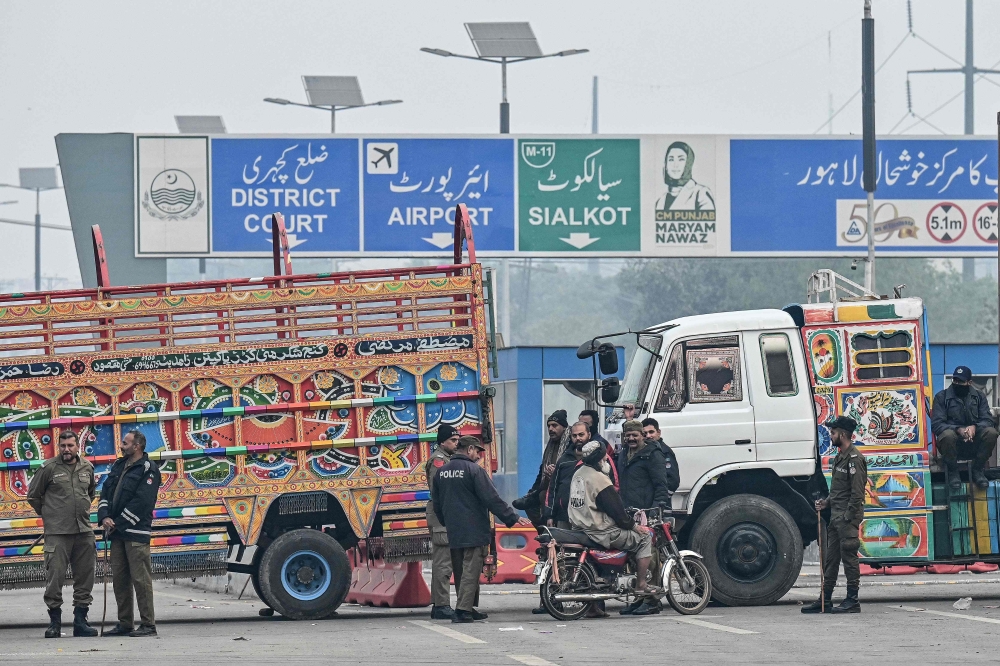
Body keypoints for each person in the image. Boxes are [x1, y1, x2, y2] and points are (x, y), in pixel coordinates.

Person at [433, 436, 520, 624]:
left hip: (454, 529)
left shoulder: (442, 472)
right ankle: (463, 610)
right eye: (477, 452)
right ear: (470, 449)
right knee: (471, 569)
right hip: (474, 529)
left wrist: (446, 522)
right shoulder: (474, 471)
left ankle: (468, 607)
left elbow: (437, 503)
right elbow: (491, 499)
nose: (478, 456)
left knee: (460, 570)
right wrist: (511, 517)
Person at [568, 441, 659, 617]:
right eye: (604, 458)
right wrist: (634, 526)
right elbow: (617, 512)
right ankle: (641, 584)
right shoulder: (599, 479)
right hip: (601, 532)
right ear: (598, 460)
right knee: (644, 538)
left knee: (593, 568)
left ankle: (593, 607)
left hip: (579, 528)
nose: (607, 461)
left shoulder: (578, 474)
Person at [26, 430, 98, 638]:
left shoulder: (87, 467)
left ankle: (80, 621)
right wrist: (49, 514)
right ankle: (54, 623)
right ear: (59, 447)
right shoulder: (48, 468)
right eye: (63, 446)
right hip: (57, 533)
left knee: (85, 577)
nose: (67, 450)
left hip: (83, 531)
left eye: (70, 445)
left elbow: (90, 493)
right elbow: (33, 495)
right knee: (55, 577)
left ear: (78, 446)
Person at [97, 430, 161, 637]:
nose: (121, 446)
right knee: (120, 580)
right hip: (116, 533)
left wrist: (118, 522)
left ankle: (148, 625)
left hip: (135, 533)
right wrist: (105, 516)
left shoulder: (148, 469)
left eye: (125, 443)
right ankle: (125, 623)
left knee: (141, 580)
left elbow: (142, 502)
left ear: (137, 446)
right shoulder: (118, 466)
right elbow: (105, 492)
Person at [802, 416, 867, 615]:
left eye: (833, 432)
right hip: (836, 517)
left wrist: (848, 517)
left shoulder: (855, 459)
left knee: (849, 559)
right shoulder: (840, 457)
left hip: (846, 519)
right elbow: (838, 490)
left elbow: (857, 494)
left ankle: (852, 600)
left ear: (843, 434)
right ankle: (825, 599)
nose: (830, 436)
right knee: (830, 560)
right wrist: (826, 502)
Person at [932, 366, 999, 490]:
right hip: (952, 445)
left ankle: (977, 470)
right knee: (947, 434)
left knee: (991, 432)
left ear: (969, 383)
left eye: (961, 381)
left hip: (974, 443)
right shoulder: (941, 397)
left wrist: (974, 427)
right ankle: (953, 472)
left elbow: (988, 420)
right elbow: (937, 424)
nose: (958, 384)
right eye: (955, 381)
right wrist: (958, 429)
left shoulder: (979, 396)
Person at [425, 424, 460, 620]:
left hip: (445, 514)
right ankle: (441, 605)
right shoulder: (438, 461)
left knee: (446, 561)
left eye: (457, 440)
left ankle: (440, 603)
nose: (456, 444)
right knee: (443, 563)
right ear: (442, 442)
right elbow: (440, 491)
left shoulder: (447, 459)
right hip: (441, 515)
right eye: (453, 440)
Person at [512, 410, 570, 526]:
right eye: (549, 426)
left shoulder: (570, 445)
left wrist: (556, 473)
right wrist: (532, 492)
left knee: (544, 497)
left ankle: (550, 534)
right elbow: (541, 472)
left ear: (564, 427)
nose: (550, 429)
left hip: (564, 491)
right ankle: (545, 533)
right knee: (532, 503)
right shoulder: (550, 446)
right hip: (548, 488)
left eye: (554, 425)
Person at [616, 420, 672, 512]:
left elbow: (661, 487)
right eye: (628, 435)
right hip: (626, 512)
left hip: (645, 512)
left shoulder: (653, 455)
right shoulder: (623, 454)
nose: (631, 438)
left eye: (635, 435)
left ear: (642, 435)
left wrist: (654, 512)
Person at [654, 141, 715, 214]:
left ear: (688, 163)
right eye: (671, 159)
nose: (675, 165)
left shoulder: (701, 194)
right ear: (666, 165)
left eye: (681, 159)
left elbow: (709, 224)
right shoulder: (660, 201)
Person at [641, 418, 680, 495]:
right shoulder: (643, 451)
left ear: (658, 432)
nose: (648, 436)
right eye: (645, 433)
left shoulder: (665, 451)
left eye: (651, 432)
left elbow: (673, 480)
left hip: (660, 502)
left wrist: (663, 497)